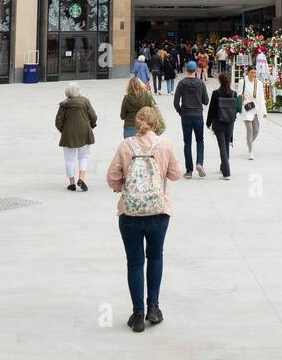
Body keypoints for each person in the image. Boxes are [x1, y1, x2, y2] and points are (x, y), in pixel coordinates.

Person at [106, 105, 184, 332]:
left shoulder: (125, 145)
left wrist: (124, 187)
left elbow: (112, 178)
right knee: (155, 257)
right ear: (156, 124)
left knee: (135, 262)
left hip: (130, 212)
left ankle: (137, 314)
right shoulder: (165, 144)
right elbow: (176, 174)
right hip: (158, 210)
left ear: (136, 124)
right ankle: (154, 308)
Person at [55, 82, 97, 192]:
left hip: (68, 134)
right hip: (84, 132)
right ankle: (81, 178)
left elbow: (58, 121)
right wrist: (91, 126)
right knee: (83, 157)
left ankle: (72, 183)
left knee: (69, 159)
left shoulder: (64, 104)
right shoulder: (85, 101)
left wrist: (63, 131)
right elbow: (93, 116)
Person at [173, 60, 209, 178]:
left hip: (186, 115)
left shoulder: (182, 83)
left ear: (187, 70)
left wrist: (180, 112)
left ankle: (189, 171)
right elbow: (206, 101)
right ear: (195, 70)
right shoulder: (200, 83)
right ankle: (199, 162)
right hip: (198, 115)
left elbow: (176, 102)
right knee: (200, 140)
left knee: (187, 143)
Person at [205, 72, 239, 180]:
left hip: (218, 122)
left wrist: (208, 122)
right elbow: (236, 110)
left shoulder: (216, 93)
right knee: (226, 144)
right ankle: (223, 166)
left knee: (222, 147)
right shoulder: (234, 94)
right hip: (230, 122)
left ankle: (226, 172)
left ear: (219, 81)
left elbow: (211, 109)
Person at [238, 65, 266, 160]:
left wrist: (264, 111)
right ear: (248, 72)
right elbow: (238, 95)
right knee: (249, 130)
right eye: (251, 73)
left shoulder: (259, 83)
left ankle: (249, 142)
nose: (253, 74)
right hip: (246, 108)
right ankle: (251, 151)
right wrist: (242, 99)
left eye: (255, 72)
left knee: (256, 130)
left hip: (256, 109)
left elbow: (261, 98)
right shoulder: (243, 82)